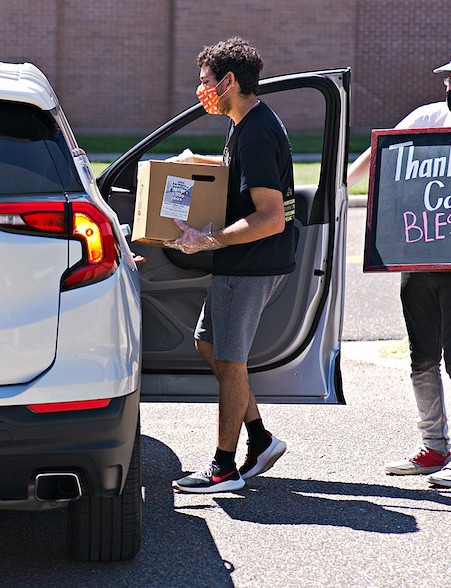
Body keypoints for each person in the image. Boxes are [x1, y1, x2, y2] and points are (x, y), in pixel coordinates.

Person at [348, 47, 451, 488]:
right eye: (449, 82)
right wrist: (338, 189)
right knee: (421, 359)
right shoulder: (426, 118)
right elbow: (379, 154)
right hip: (417, 257)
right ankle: (433, 448)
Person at [168, 37, 292, 494]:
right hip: (240, 262)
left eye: (205, 81)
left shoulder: (257, 131)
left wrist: (207, 241)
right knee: (207, 344)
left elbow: (271, 216)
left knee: (229, 360)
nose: (201, 90)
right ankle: (259, 439)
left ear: (228, 81)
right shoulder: (244, 124)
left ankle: (224, 467)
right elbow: (239, 182)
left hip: (250, 263)